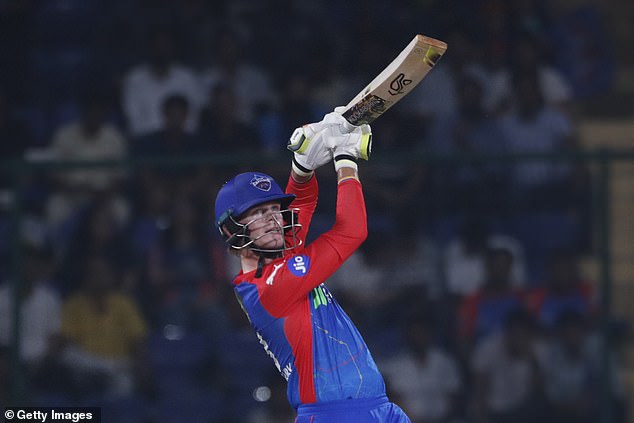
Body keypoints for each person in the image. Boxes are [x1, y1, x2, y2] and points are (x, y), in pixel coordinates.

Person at [213, 111, 410, 422]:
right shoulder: (269, 287)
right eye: (258, 213)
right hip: (334, 415)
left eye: (274, 209)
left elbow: (301, 204)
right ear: (231, 230)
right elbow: (351, 232)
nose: (273, 219)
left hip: (379, 408)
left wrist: (303, 165)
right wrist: (344, 158)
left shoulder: (277, 256)